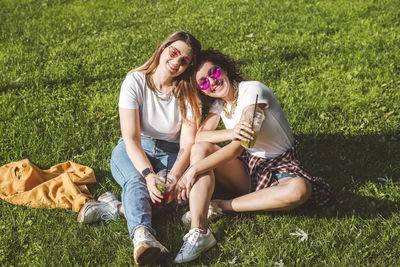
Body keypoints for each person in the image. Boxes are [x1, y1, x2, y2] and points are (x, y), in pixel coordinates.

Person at [173, 50, 333, 263]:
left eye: (213, 72)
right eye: (203, 82)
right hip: (250, 166)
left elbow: (239, 147)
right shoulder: (220, 104)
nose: (212, 81)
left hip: (282, 167)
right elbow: (201, 135)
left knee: (299, 190)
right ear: (203, 91)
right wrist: (230, 132)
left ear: (224, 69)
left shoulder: (252, 91)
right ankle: (199, 231)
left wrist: (192, 170)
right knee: (200, 148)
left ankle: (220, 205)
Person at [77, 31, 202, 266]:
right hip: (133, 149)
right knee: (137, 182)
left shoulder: (188, 93)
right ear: (163, 48)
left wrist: (175, 175)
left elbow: (187, 144)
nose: (176, 62)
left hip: (171, 154)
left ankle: (115, 208)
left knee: (178, 195)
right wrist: (148, 175)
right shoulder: (135, 81)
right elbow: (131, 137)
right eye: (173, 52)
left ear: (188, 66)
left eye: (184, 60)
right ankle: (143, 238)